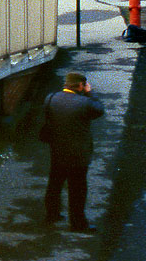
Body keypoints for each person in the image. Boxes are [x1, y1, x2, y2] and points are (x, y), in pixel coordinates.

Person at [42, 71, 105, 233]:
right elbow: (99, 110)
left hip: (57, 150)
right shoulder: (85, 103)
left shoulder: (50, 98)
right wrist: (90, 93)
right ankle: (77, 223)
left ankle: (52, 214)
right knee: (77, 189)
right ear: (80, 86)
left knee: (55, 183)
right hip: (78, 153)